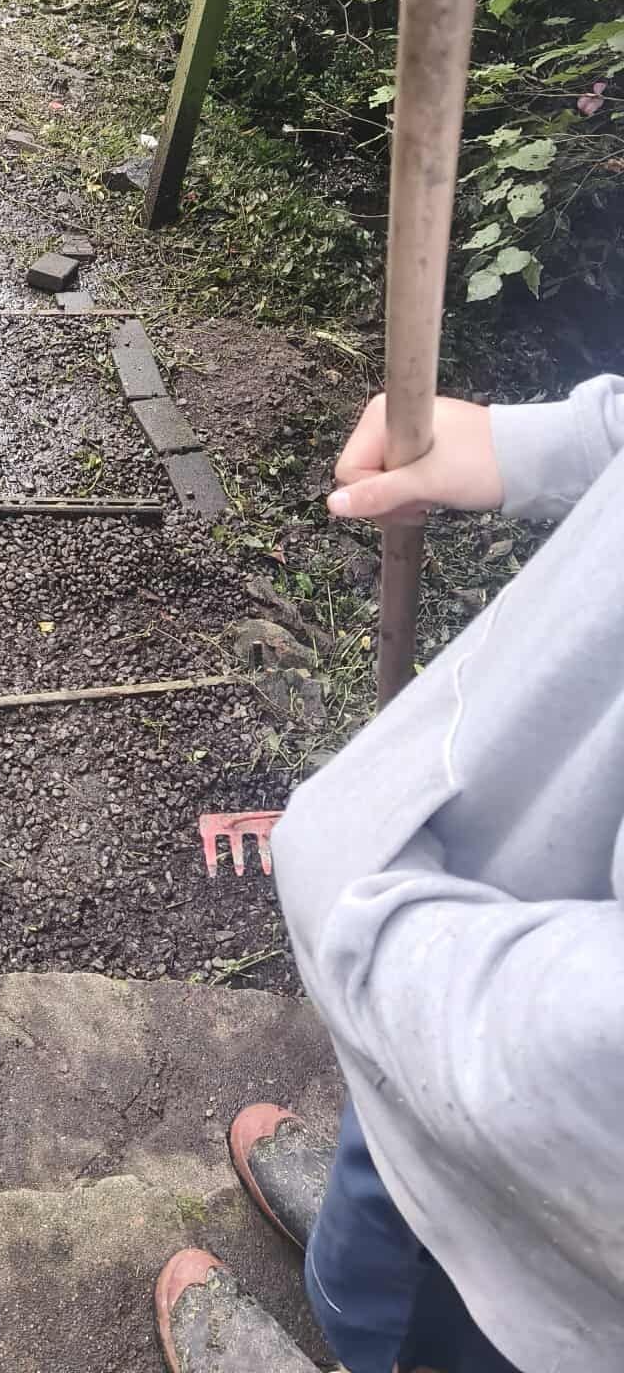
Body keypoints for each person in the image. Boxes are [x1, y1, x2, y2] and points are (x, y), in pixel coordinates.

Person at [154, 376, 624, 1373]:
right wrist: (555, 441)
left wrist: (358, 919)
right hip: (449, 999)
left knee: (426, 1325)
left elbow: (592, 1073)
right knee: (385, 1182)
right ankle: (360, 1245)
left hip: (554, 1234)